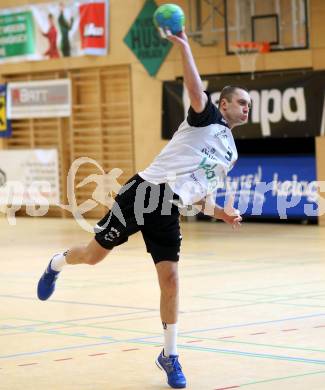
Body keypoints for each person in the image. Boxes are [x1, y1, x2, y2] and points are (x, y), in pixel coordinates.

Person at [37, 28, 250, 389]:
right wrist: (183, 45)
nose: (247, 107)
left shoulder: (231, 154)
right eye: (242, 102)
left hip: (168, 209)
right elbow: (196, 87)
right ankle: (57, 262)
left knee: (171, 281)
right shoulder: (206, 118)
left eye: (249, 105)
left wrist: (222, 213)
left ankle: (170, 355)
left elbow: (197, 193)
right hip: (142, 193)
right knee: (92, 256)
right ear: (225, 104)